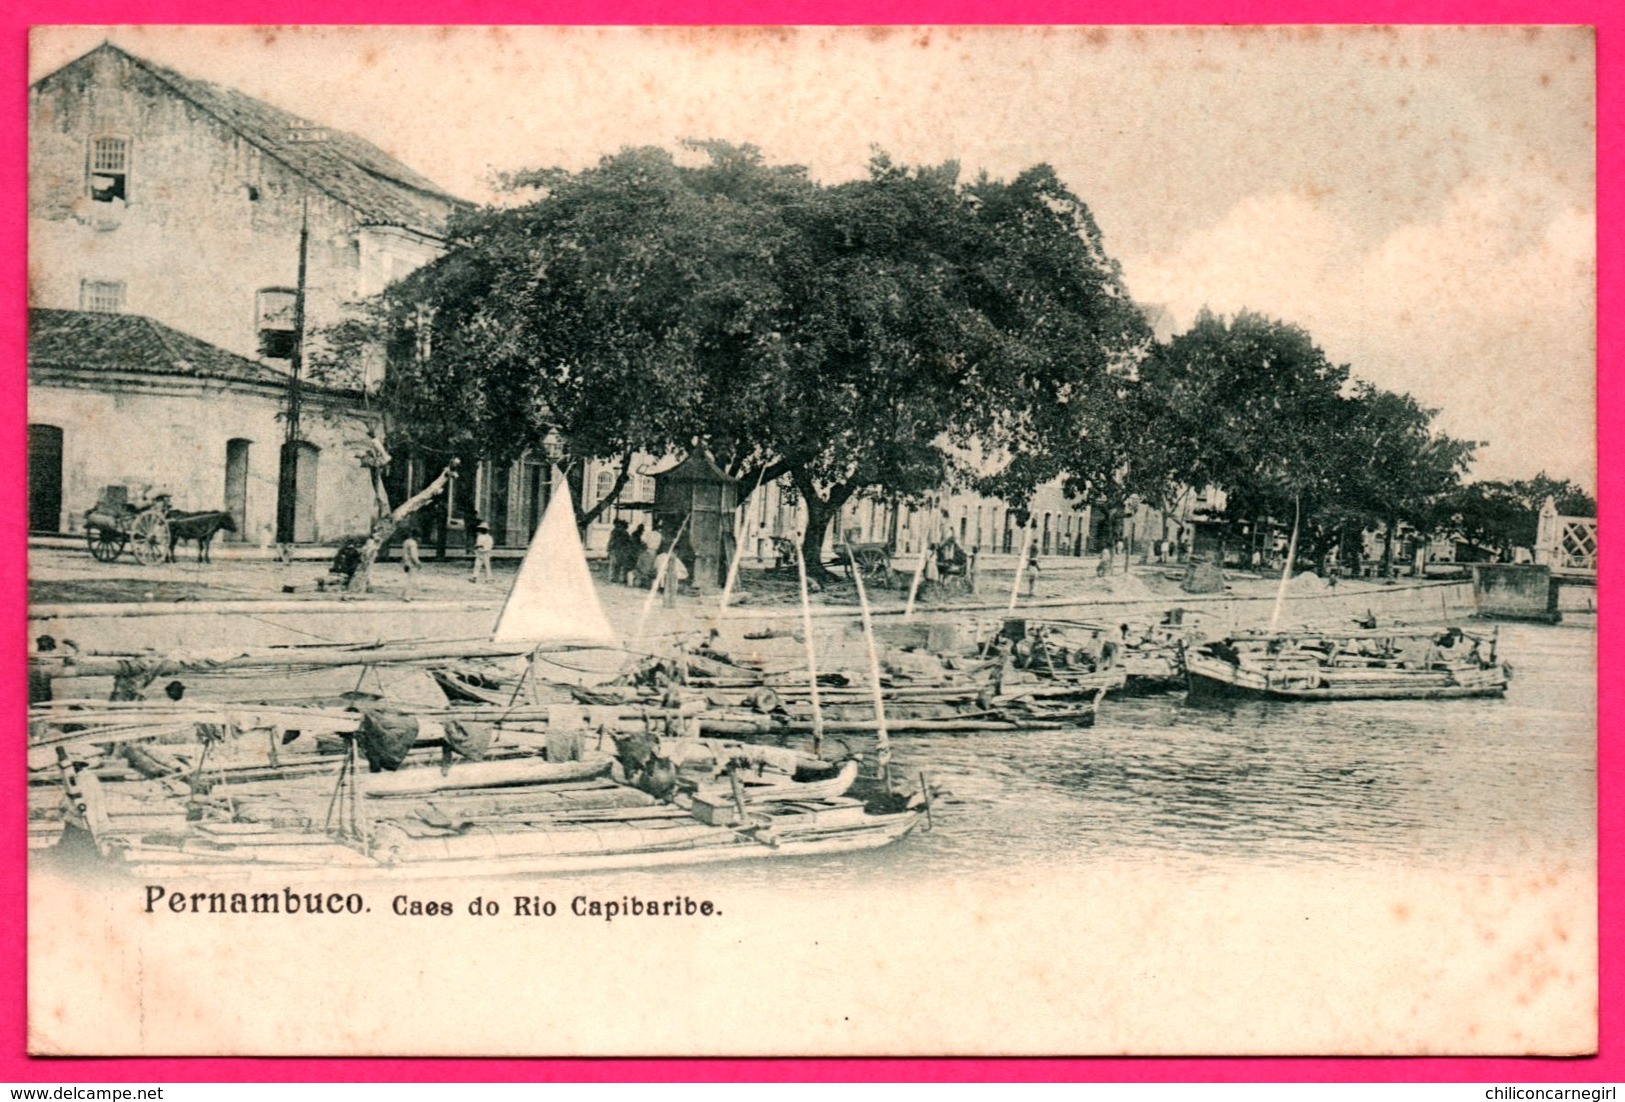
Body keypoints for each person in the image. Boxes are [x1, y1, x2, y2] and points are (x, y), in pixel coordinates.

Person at [606, 519, 633, 585]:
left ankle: (613, 578)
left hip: (616, 550)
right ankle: (619, 578)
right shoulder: (624, 533)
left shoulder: (615, 532)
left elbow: (611, 541)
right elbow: (628, 543)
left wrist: (608, 549)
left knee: (614, 564)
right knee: (619, 564)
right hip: (621, 550)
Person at [401, 527, 423, 599]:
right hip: (411, 563)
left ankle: (404, 594)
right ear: (416, 536)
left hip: (405, 561)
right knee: (411, 580)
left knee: (409, 579)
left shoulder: (406, 541)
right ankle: (407, 596)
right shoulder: (413, 543)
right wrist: (418, 563)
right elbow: (413, 555)